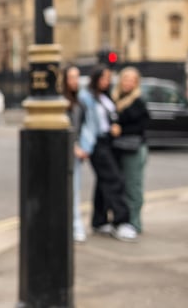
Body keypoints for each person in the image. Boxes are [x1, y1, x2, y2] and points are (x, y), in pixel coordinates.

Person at [76, 65, 137, 242]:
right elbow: (81, 123)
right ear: (95, 79)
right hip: (96, 144)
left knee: (104, 182)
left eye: (109, 79)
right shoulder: (86, 97)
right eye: (104, 78)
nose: (107, 82)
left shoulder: (104, 96)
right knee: (115, 180)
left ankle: (99, 221)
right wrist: (80, 144)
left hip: (108, 142)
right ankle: (121, 222)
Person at [110, 66, 150, 234]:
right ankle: (123, 221)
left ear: (136, 83)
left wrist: (121, 130)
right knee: (121, 186)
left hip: (134, 149)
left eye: (132, 80)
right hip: (119, 148)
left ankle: (134, 223)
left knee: (133, 187)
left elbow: (142, 126)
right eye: (125, 78)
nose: (128, 82)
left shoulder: (138, 101)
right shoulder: (115, 98)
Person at [62, 65, 88, 243]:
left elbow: (83, 128)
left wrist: (82, 146)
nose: (75, 81)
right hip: (64, 153)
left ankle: (76, 225)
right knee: (65, 191)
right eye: (71, 77)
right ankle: (69, 225)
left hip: (75, 155)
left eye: (77, 77)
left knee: (75, 191)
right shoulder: (61, 102)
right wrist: (73, 145)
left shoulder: (80, 101)